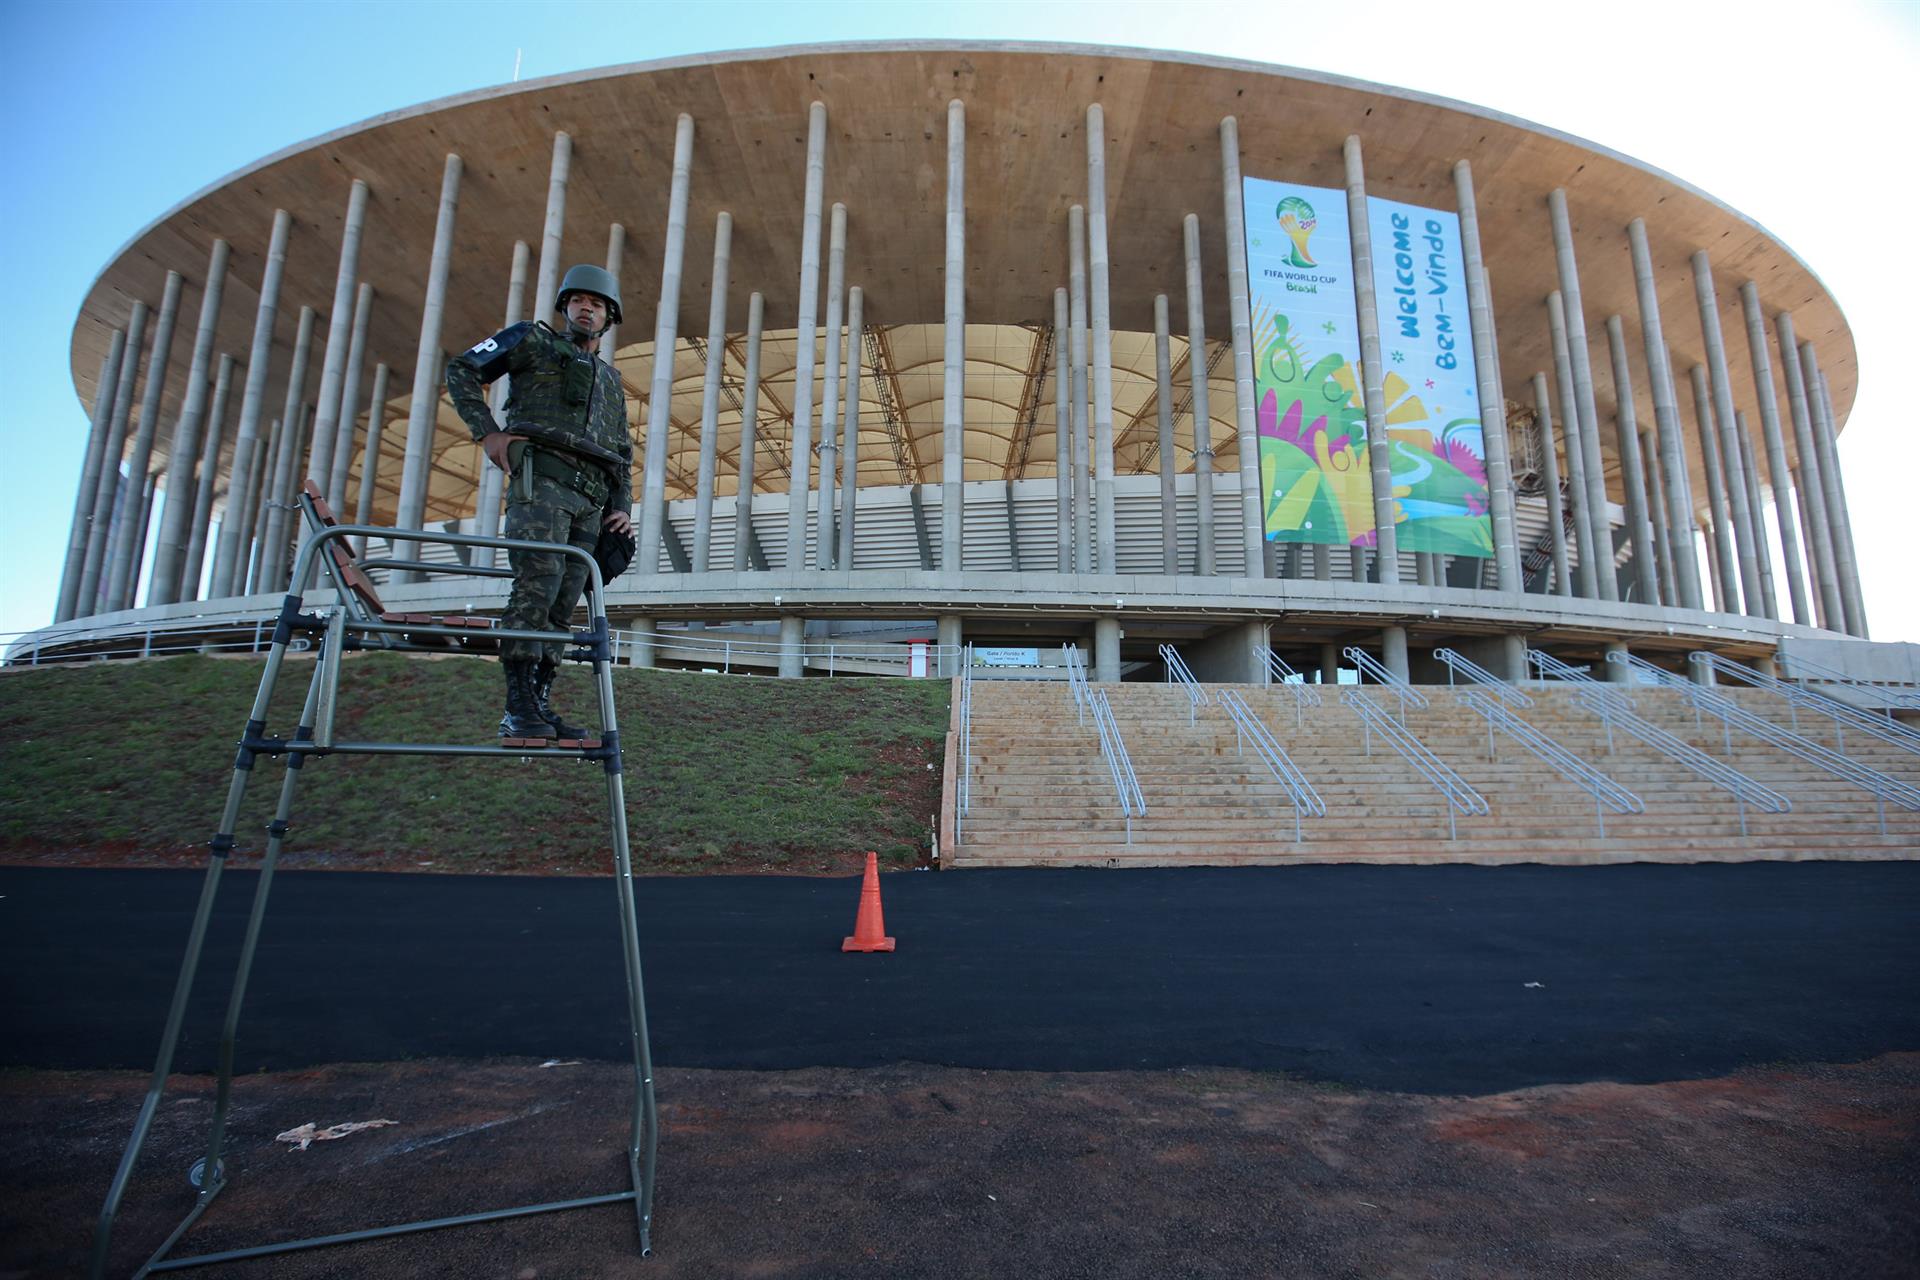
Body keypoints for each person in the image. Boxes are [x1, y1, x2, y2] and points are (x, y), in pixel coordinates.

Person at [446, 264, 633, 740]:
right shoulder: (532, 340)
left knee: (564, 600)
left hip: (592, 497)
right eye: (577, 301)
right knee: (538, 584)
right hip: (543, 481)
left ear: (609, 316)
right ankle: (517, 706)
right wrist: (488, 433)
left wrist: (622, 507)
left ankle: (540, 702)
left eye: (596, 304)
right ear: (565, 307)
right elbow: (464, 368)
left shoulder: (611, 380)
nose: (585, 308)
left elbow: (622, 449)